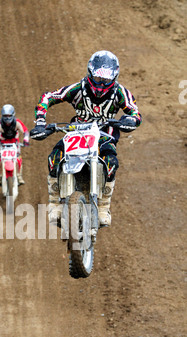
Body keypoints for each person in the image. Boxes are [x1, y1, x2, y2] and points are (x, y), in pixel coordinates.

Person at [30, 50, 142, 226]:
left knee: (111, 162)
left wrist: (130, 120)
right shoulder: (78, 89)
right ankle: (55, 204)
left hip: (104, 136)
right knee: (54, 158)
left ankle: (104, 206)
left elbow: (135, 112)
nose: (101, 84)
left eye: (105, 80)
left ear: (114, 77)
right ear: (90, 73)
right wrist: (40, 122)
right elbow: (49, 96)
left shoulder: (120, 92)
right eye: (97, 79)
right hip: (77, 133)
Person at [0, 104, 30, 185]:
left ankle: (19, 175)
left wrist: (26, 139)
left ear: (13, 115)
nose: (7, 118)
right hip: (3, 142)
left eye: (9, 115)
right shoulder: (0, 124)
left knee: (18, 157)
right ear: (2, 115)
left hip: (14, 141)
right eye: (5, 116)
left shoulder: (17, 123)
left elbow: (25, 131)